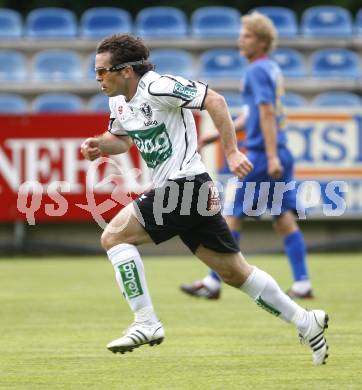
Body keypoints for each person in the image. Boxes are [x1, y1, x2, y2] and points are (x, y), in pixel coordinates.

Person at [81, 32, 329, 366]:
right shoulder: (118, 103)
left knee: (113, 236)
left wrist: (231, 151)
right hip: (187, 192)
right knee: (234, 272)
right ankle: (305, 320)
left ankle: (146, 322)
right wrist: (99, 145)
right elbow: (121, 141)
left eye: (102, 71)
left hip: (185, 185)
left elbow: (216, 101)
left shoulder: (159, 86)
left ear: (126, 70)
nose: (97, 77)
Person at [181, 13, 313, 301]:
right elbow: (253, 113)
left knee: (230, 213)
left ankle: (213, 282)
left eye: (248, 35)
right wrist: (220, 134)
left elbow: (266, 112)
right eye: (242, 34)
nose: (241, 39)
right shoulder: (271, 69)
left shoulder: (255, 71)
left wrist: (269, 155)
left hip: (263, 154)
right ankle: (302, 282)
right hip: (280, 150)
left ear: (262, 41)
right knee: (283, 217)